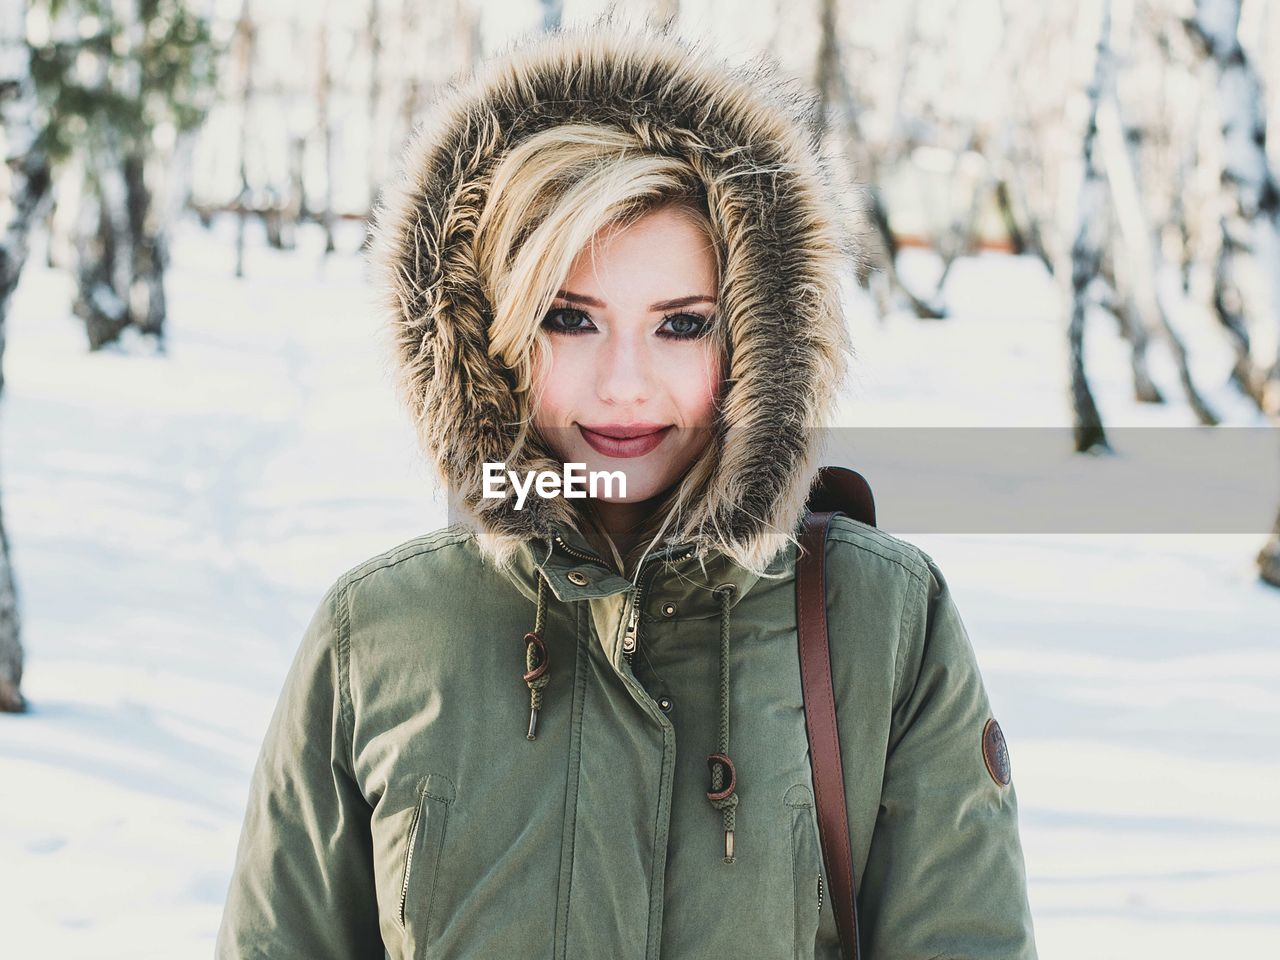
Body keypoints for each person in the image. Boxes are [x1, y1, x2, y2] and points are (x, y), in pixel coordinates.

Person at [215, 18, 1038, 960]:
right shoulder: (379, 636)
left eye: (681, 326)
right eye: (570, 318)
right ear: (489, 335)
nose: (624, 384)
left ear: (756, 340)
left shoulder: (885, 623)